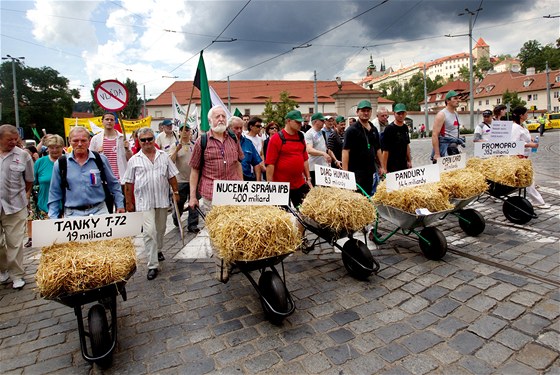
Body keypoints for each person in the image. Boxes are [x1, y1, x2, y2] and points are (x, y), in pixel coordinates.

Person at [124, 127, 180, 280]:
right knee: (149, 232)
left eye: (150, 139)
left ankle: (158, 249)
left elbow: (172, 176)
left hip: (162, 199)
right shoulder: (134, 160)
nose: (147, 142)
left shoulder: (164, 156)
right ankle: (152, 264)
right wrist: (129, 202)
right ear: (139, 141)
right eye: (143, 140)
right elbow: (128, 183)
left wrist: (176, 192)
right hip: (144, 202)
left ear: (154, 140)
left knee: (160, 229)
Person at [48, 126, 125, 219]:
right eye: (75, 141)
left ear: (89, 141)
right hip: (72, 214)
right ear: (70, 142)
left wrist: (120, 205)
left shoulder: (100, 160)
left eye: (83, 141)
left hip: (99, 211)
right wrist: (53, 217)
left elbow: (114, 184)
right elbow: (54, 193)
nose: (79, 144)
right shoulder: (61, 163)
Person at [188, 106, 244, 214]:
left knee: (234, 228)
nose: (221, 119)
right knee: (215, 229)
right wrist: (192, 197)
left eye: (223, 116)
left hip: (233, 193)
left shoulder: (233, 138)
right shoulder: (202, 141)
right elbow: (195, 170)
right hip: (211, 195)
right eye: (217, 116)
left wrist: (242, 186)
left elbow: (237, 164)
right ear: (210, 121)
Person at [0, 124, 34, 289]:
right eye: (9, 140)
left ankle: (17, 275)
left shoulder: (23, 156)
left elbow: (29, 180)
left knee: (14, 242)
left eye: (15, 139)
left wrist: (22, 196)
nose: (13, 142)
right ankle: (2, 269)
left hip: (15, 205)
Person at [265, 110, 312, 208]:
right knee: (282, 216)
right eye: (297, 122)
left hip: (299, 184)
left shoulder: (300, 136)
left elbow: (305, 159)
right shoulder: (276, 138)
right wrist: (270, 184)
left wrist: (308, 178)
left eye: (301, 122)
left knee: (305, 211)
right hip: (281, 186)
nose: (300, 124)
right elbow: (270, 163)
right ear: (288, 121)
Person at [25, 135, 65, 248]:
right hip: (44, 203)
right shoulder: (40, 162)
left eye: (57, 147)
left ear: (62, 147)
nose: (55, 150)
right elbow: (32, 182)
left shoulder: (67, 160)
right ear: (47, 148)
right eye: (51, 147)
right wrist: (28, 198)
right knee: (48, 241)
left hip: (65, 205)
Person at [342, 100, 385, 196]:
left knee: (371, 195)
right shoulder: (351, 130)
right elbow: (345, 151)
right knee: (359, 197)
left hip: (371, 171)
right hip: (356, 172)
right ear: (357, 112)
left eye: (368, 111)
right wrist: (345, 174)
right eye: (363, 111)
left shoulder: (373, 129)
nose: (366, 113)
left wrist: (382, 166)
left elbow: (378, 149)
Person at [510, 107, 550, 209]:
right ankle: (538, 201)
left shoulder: (522, 125)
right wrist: (530, 145)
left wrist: (530, 139)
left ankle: (537, 201)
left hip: (524, 157)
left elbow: (523, 137)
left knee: (529, 180)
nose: (527, 115)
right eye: (526, 113)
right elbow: (514, 142)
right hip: (518, 157)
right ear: (521, 115)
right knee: (529, 180)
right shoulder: (515, 127)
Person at [169, 124, 199, 232]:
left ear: (190, 132)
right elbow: (170, 161)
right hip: (180, 180)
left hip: (192, 180)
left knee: (193, 201)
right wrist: (176, 150)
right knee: (179, 203)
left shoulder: (195, 145)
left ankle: (193, 224)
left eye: (187, 130)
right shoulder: (175, 145)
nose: (185, 132)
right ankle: (176, 216)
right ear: (179, 132)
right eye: (182, 130)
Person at [89, 112, 132, 186]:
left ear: (114, 122)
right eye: (107, 119)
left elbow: (130, 159)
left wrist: (127, 149)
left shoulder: (123, 138)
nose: (109, 121)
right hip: (104, 180)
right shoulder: (96, 139)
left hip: (120, 179)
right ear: (102, 121)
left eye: (112, 120)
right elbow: (90, 159)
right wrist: (98, 154)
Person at [230, 116, 263, 181]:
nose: (239, 131)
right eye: (236, 128)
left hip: (247, 180)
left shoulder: (248, 143)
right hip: (230, 180)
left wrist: (258, 182)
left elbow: (256, 163)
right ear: (229, 128)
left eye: (240, 128)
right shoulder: (224, 143)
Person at [432, 90, 462, 161]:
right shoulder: (442, 114)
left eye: (458, 98)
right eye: (455, 98)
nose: (458, 100)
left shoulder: (456, 114)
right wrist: (437, 154)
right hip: (445, 148)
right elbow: (434, 134)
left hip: (455, 147)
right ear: (448, 101)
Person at [382, 103, 412, 173]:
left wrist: (409, 160)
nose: (401, 116)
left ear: (405, 113)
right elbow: (385, 150)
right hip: (392, 165)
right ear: (394, 114)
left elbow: (407, 145)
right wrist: (384, 168)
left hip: (403, 163)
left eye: (403, 113)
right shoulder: (389, 129)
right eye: (398, 113)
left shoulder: (405, 127)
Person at [305, 112, 331, 185]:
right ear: (316, 121)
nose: (324, 122)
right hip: (314, 168)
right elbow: (309, 150)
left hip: (324, 167)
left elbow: (325, 147)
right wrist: (323, 153)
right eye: (322, 121)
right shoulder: (309, 134)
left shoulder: (322, 132)